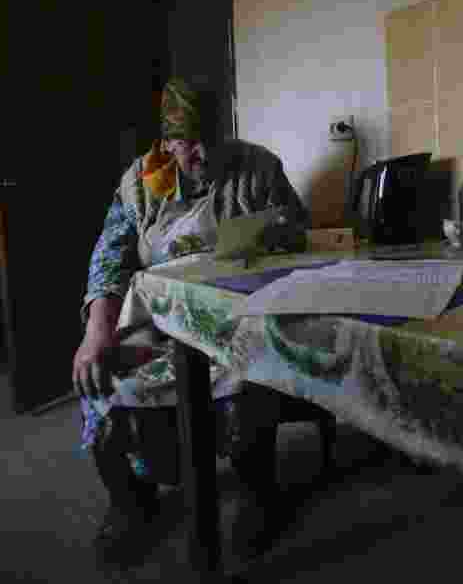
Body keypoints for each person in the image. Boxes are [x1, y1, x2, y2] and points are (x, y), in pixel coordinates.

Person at [72, 77, 309, 568]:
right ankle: (132, 503)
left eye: (209, 137)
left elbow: (299, 232)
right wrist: (97, 331)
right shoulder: (140, 181)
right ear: (166, 141)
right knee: (103, 375)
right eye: (185, 141)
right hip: (155, 319)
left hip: (234, 314)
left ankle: (258, 492)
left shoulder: (259, 167)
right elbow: (109, 258)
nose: (198, 152)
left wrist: (274, 231)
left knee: (255, 365)